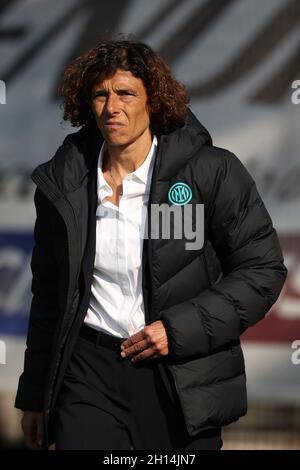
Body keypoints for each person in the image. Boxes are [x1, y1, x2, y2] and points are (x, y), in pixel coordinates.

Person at [15, 40, 287, 450]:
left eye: (125, 93)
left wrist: (177, 331)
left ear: (153, 100)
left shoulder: (209, 170)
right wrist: (34, 397)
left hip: (179, 374)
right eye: (99, 94)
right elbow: (49, 299)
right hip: (87, 373)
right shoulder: (64, 182)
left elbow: (262, 269)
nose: (111, 108)